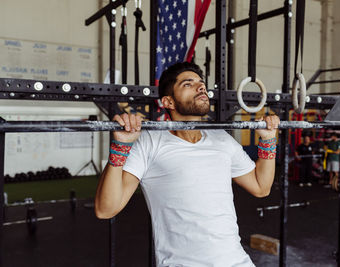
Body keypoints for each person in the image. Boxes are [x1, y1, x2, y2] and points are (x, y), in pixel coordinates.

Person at [94, 62, 280, 267]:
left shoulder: (222, 139)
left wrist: (268, 141)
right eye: (188, 84)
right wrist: (121, 145)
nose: (201, 87)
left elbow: (261, 187)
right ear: (168, 102)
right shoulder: (150, 142)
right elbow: (105, 209)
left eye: (201, 83)